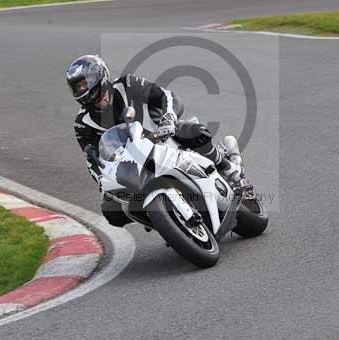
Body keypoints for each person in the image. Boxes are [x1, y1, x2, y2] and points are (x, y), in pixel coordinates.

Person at [66, 54, 247, 227]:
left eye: (83, 83)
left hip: (162, 136)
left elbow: (165, 95)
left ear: (98, 75)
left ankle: (226, 166)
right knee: (111, 210)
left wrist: (168, 117)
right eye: (77, 87)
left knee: (193, 131)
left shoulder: (126, 84)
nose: (81, 89)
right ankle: (165, 221)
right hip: (131, 164)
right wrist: (102, 180)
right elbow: (92, 160)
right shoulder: (82, 124)